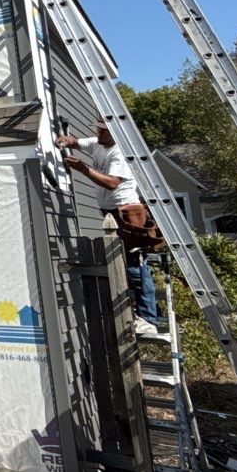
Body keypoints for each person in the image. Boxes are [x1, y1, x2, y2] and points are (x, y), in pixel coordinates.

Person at [55, 120, 170, 342]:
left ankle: (148, 319)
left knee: (136, 264)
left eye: (102, 131)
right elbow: (76, 142)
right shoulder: (99, 142)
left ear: (115, 133)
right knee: (128, 264)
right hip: (111, 212)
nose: (97, 133)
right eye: (97, 129)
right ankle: (147, 311)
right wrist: (65, 140)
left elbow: (111, 183)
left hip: (127, 213)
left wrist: (83, 168)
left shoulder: (121, 153)